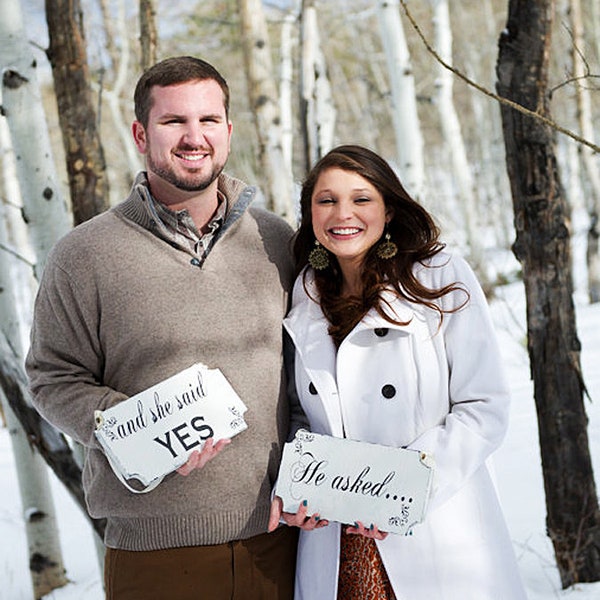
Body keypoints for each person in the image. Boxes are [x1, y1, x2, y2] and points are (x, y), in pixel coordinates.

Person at [25, 56, 298, 599]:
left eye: (209, 120)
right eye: (174, 121)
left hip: (279, 540)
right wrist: (140, 433)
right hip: (155, 552)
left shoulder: (278, 241)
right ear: (140, 133)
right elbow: (52, 380)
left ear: (228, 130)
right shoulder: (85, 255)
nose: (193, 136)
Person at [268, 145, 527, 599]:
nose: (342, 213)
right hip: (337, 541)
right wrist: (300, 490)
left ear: (388, 210)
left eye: (361, 199)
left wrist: (401, 491)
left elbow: (483, 407)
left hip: (434, 533)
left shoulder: (436, 275)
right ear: (309, 214)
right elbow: (302, 414)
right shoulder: (305, 292)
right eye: (326, 200)